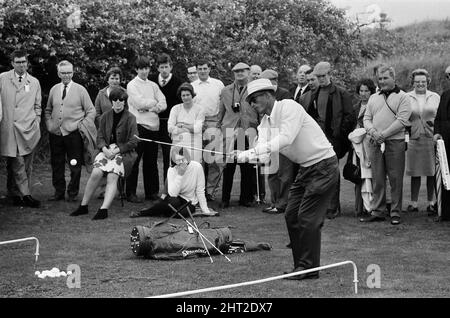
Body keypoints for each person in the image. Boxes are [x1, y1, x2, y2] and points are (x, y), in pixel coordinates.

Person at [237, 78, 339, 280]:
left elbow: (286, 138)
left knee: (307, 218)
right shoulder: (264, 122)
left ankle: (308, 269)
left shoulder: (289, 107)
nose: (253, 105)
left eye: (255, 100)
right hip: (305, 168)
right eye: (250, 102)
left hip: (324, 165)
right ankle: (300, 265)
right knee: (291, 215)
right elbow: (265, 154)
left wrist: (254, 151)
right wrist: (245, 154)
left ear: (268, 95)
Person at [70, 88, 138, 220]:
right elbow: (99, 137)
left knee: (112, 176)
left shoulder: (131, 118)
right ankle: (83, 206)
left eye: (121, 100)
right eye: (115, 100)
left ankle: (104, 209)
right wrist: (105, 149)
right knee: (96, 173)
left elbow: (134, 141)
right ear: (111, 101)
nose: (118, 103)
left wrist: (117, 150)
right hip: (106, 151)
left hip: (122, 153)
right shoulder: (105, 116)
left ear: (125, 102)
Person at [361, 65, 412, 225]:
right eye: (380, 78)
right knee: (377, 178)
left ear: (393, 78)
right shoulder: (373, 97)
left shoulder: (403, 97)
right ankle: (378, 211)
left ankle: (395, 212)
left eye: (385, 78)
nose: (382, 81)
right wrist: (373, 133)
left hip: (395, 142)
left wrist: (383, 134)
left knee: (395, 178)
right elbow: (366, 118)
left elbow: (402, 120)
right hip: (375, 142)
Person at [306, 61, 355, 219]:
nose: (320, 79)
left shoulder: (341, 93)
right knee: (320, 173)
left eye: (323, 76)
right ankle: (324, 207)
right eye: (318, 76)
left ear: (329, 75)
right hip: (318, 139)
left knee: (332, 173)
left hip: (334, 139)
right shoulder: (315, 93)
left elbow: (350, 117)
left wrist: (339, 135)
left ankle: (333, 208)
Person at [45, 60, 96, 202]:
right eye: (63, 73)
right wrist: (49, 124)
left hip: (74, 134)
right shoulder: (54, 89)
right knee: (57, 163)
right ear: (58, 73)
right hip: (55, 134)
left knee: (75, 164)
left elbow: (91, 111)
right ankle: (58, 192)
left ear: (73, 72)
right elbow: (48, 110)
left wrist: (82, 125)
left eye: (69, 72)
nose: (66, 75)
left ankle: (72, 193)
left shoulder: (81, 90)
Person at [0, 49, 42, 208]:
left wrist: (37, 121)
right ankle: (26, 195)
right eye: (18, 62)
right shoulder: (3, 78)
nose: (21, 65)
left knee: (25, 163)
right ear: (12, 63)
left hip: (29, 128)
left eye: (24, 61)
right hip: (9, 127)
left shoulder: (34, 82)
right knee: (17, 162)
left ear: (27, 63)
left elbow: (38, 105)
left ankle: (14, 193)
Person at [132, 146, 218, 218]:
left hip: (190, 201)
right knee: (173, 202)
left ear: (187, 158)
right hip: (176, 197)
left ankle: (164, 212)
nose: (180, 163)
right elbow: (173, 194)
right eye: (178, 160)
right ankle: (143, 213)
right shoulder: (172, 170)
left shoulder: (197, 167)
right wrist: (180, 175)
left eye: (183, 159)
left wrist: (205, 210)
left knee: (182, 213)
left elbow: (200, 190)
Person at [126, 56, 167, 203]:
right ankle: (130, 193)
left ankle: (152, 192)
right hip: (138, 127)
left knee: (151, 162)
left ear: (149, 69)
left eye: (146, 68)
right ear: (136, 70)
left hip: (153, 128)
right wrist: (153, 104)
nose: (144, 71)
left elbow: (163, 102)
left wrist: (154, 106)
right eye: (141, 68)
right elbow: (138, 103)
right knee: (134, 161)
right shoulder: (132, 85)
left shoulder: (153, 86)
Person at [217, 62, 258, 208]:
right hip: (230, 130)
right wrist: (218, 128)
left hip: (248, 130)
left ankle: (245, 199)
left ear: (248, 72)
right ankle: (225, 199)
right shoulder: (226, 90)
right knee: (228, 167)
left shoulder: (254, 88)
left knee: (246, 167)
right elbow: (221, 111)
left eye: (242, 71)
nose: (239, 73)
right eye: (236, 71)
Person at [259, 69, 295, 214]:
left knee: (285, 174)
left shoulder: (285, 94)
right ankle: (274, 202)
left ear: (275, 81)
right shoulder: (262, 95)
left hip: (283, 139)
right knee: (271, 172)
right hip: (269, 137)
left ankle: (283, 203)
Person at [406, 69, 440, 213]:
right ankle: (413, 203)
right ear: (413, 82)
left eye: (423, 81)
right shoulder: (406, 97)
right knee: (415, 171)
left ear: (428, 82)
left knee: (431, 171)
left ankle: (431, 202)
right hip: (414, 138)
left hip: (431, 137)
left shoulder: (435, 97)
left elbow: (439, 116)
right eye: (417, 81)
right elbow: (403, 117)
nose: (420, 84)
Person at [191, 60, 224, 201]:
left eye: (205, 68)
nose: (202, 71)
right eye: (200, 68)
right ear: (197, 70)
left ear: (209, 69)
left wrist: (219, 122)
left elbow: (222, 104)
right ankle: (196, 190)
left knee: (214, 160)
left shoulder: (218, 84)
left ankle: (211, 191)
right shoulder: (192, 86)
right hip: (197, 122)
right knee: (197, 159)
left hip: (213, 121)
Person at [93, 66, 127, 199]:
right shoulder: (101, 93)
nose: (115, 80)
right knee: (104, 158)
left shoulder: (124, 92)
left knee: (120, 159)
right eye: (112, 78)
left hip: (120, 131)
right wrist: (105, 122)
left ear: (120, 79)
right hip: (105, 132)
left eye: (117, 78)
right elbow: (97, 112)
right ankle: (103, 190)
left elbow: (127, 111)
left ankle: (120, 190)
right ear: (108, 79)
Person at [149, 53, 183, 180]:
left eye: (166, 67)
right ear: (157, 68)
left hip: (169, 124)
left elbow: (180, 106)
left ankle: (168, 189)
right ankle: (152, 192)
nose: (164, 70)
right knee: (150, 157)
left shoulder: (178, 82)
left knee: (168, 156)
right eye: (161, 67)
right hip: (151, 122)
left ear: (171, 67)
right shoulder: (151, 80)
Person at [352, 79, 377, 217]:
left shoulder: (374, 105)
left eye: (366, 91)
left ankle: (373, 206)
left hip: (369, 145)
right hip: (356, 146)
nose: (363, 94)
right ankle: (359, 207)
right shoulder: (355, 107)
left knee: (371, 175)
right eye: (361, 91)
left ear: (371, 91)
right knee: (358, 175)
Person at [168, 82, 204, 163]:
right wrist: (190, 128)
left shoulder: (199, 109)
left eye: (188, 95)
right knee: (178, 169)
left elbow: (197, 129)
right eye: (183, 95)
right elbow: (170, 128)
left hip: (194, 144)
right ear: (180, 97)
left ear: (192, 95)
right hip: (178, 143)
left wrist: (181, 125)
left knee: (193, 168)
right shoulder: (175, 109)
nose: (186, 97)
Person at [432, 65, 450, 221]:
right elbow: (438, 119)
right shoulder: (444, 95)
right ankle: (445, 213)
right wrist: (436, 133)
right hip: (445, 145)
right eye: (448, 76)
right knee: (445, 179)